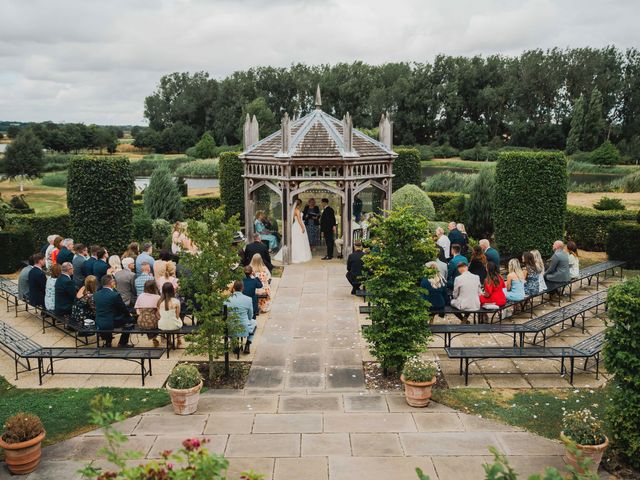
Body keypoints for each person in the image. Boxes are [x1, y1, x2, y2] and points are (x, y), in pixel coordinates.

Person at [94, 275, 132, 348]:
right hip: (111, 322)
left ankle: (108, 342)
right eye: (114, 281)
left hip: (99, 320)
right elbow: (123, 308)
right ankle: (122, 343)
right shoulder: (115, 295)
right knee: (130, 321)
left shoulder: (96, 294)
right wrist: (129, 315)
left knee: (109, 318)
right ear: (111, 283)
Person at [224, 280, 256, 355]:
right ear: (242, 288)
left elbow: (224, 314)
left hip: (231, 327)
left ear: (233, 288)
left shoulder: (226, 300)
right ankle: (248, 344)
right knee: (254, 322)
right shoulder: (248, 299)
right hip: (244, 327)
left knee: (228, 324)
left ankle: (234, 344)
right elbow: (250, 315)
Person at [134, 280, 161, 346]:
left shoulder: (141, 296)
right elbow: (160, 311)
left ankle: (153, 338)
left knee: (149, 322)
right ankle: (154, 338)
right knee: (157, 321)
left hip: (141, 321)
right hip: (152, 321)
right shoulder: (157, 297)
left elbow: (137, 311)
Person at [291, 198, 312, 264]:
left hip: (295, 226)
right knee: (300, 240)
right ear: (299, 204)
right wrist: (302, 227)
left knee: (295, 240)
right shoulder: (297, 210)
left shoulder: (293, 210)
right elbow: (299, 220)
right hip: (298, 226)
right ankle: (299, 255)